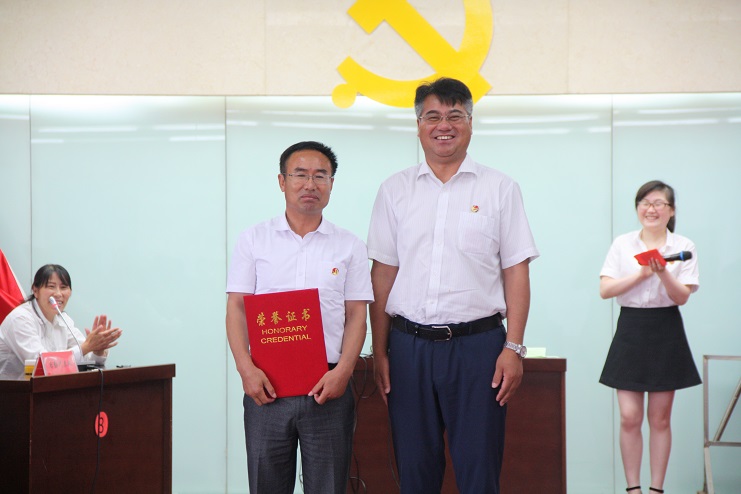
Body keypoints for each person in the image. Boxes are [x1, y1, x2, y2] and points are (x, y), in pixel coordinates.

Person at [367, 78, 539, 493]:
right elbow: (383, 274)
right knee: (415, 469)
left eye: (454, 116)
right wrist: (380, 351)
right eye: (433, 116)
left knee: (479, 469)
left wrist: (514, 347)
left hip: (478, 349)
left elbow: (516, 271)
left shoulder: (500, 188)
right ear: (418, 125)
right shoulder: (394, 190)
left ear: (470, 123)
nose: (443, 125)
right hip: (408, 348)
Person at [225, 141, 374, 494]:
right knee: (267, 484)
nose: (310, 184)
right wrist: (246, 370)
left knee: (328, 486)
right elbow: (237, 308)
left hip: (328, 385)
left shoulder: (349, 245)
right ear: (282, 181)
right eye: (300, 175)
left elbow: (357, 315)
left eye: (320, 176)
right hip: (267, 386)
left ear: (331, 184)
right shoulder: (254, 240)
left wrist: (343, 373)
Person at [599, 180, 700, 494]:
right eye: (645, 203)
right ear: (637, 208)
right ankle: (633, 489)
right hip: (631, 328)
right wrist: (641, 274)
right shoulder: (623, 244)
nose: (651, 209)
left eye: (658, 203)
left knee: (660, 419)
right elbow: (605, 289)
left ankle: (656, 489)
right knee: (629, 417)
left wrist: (662, 272)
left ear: (671, 210)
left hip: (665, 329)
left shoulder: (683, 245)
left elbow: (682, 297)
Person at [0, 264, 122, 380]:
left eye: (63, 287)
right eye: (51, 287)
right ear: (35, 291)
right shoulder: (20, 318)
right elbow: (40, 365)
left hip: (50, 389)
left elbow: (86, 360)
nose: (58, 294)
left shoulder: (63, 319)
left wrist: (97, 350)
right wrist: (86, 347)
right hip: (14, 392)